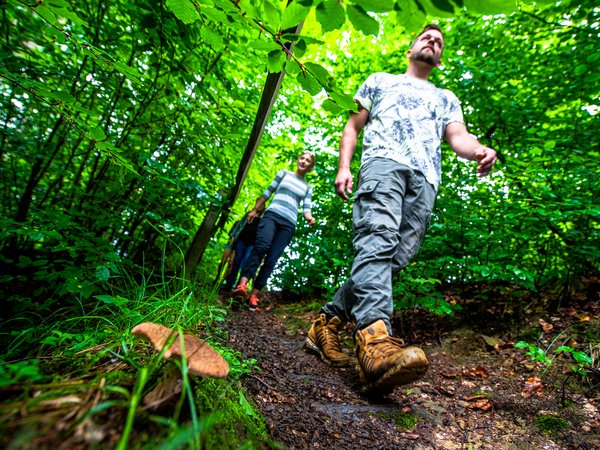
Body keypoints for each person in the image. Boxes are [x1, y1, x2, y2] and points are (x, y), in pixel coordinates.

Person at [305, 24, 497, 394]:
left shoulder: (445, 97)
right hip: (382, 164)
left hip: (425, 179)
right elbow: (352, 125)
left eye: (439, 42)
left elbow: (458, 136)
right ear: (410, 48)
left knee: (394, 257)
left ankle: (326, 322)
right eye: (426, 37)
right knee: (377, 240)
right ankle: (375, 342)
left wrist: (479, 150)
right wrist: (344, 167)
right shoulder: (379, 80)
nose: (432, 42)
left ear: (439, 59)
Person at [232, 151, 317, 311]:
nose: (304, 161)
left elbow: (306, 208)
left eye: (308, 161)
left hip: (288, 223)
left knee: (272, 259)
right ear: (298, 160)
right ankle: (242, 286)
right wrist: (255, 210)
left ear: (310, 167)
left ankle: (254, 295)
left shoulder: (307, 187)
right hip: (271, 215)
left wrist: (309, 217)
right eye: (302, 158)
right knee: (261, 247)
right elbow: (267, 192)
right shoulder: (284, 174)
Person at [222, 210, 263, 291]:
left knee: (246, 263)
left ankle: (240, 286)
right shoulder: (249, 214)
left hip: (252, 244)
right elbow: (240, 226)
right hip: (241, 241)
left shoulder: (263, 220)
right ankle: (229, 284)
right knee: (236, 261)